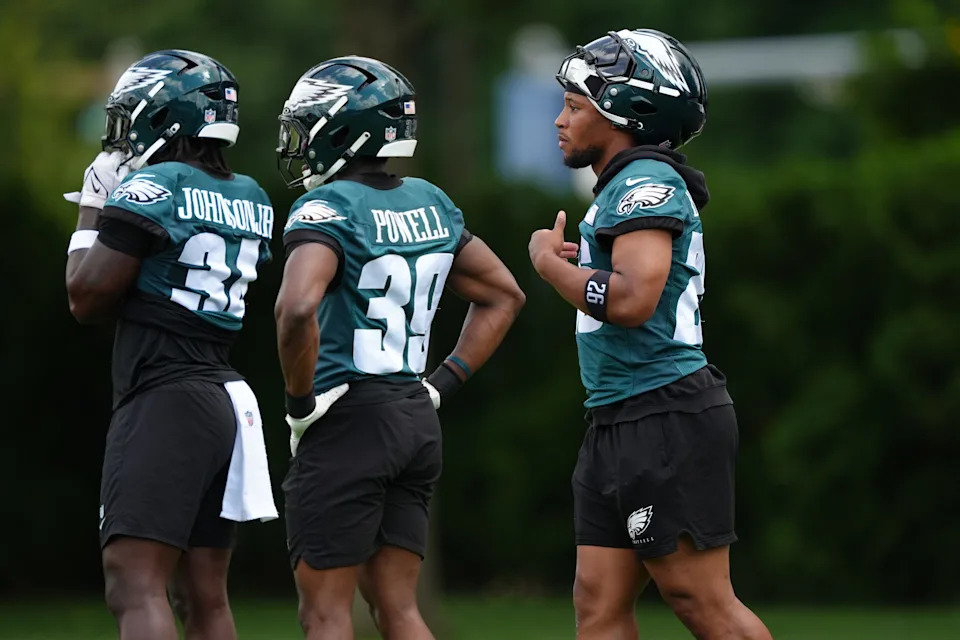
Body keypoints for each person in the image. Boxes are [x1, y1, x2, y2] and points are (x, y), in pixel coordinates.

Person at [527, 29, 772, 640]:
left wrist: (550, 266)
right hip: (617, 414)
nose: (559, 120)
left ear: (624, 114)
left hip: (665, 413)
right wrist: (580, 264)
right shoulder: (618, 187)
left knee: (699, 598)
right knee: (599, 603)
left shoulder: (643, 185)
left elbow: (635, 299)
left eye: (575, 106)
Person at [273, 55, 526, 640]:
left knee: (326, 614)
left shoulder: (328, 207)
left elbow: (296, 307)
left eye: (308, 123)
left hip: (347, 415)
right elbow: (504, 294)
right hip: (414, 414)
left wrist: (299, 402)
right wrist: (443, 383)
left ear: (343, 129)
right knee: (399, 609)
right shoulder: (431, 202)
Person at [64, 49, 278, 640]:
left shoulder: (156, 184)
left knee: (134, 580)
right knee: (203, 593)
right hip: (224, 396)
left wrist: (93, 206)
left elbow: (85, 296)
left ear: (164, 118)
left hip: (164, 393)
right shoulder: (251, 193)